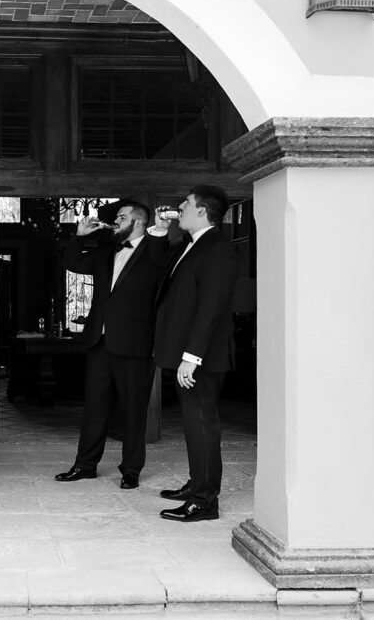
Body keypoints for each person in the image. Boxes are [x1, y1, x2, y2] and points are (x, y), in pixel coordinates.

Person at [54, 202, 168, 489]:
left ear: (139, 222)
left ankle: (131, 469)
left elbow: (162, 265)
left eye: (122, 217)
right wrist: (79, 236)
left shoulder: (155, 251)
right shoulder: (107, 250)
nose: (116, 221)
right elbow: (72, 263)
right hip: (99, 342)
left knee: (133, 410)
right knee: (94, 407)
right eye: (116, 217)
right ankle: (85, 465)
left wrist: (161, 230)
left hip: (135, 344)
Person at [152, 185, 237, 522]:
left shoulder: (217, 248)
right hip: (189, 353)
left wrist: (192, 356)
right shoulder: (191, 245)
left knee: (202, 424)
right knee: (193, 423)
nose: (179, 208)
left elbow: (211, 306)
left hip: (202, 356)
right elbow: (157, 269)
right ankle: (197, 484)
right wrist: (161, 230)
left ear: (202, 210)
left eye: (185, 204)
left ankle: (204, 501)